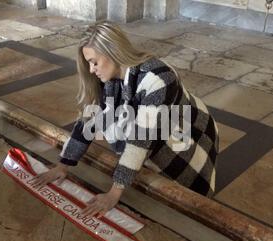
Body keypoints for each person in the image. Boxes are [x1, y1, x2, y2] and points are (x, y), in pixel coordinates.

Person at [29, 21, 219, 218]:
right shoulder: (109, 80)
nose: (92, 69)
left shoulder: (158, 79)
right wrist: (63, 165)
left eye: (94, 62)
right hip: (160, 129)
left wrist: (114, 193)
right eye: (89, 63)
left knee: (189, 194)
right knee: (152, 170)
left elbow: (140, 140)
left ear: (112, 52)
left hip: (189, 131)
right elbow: (89, 120)